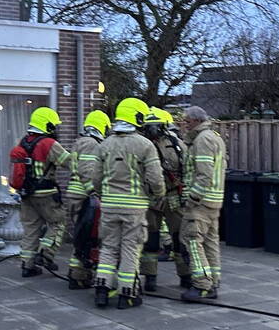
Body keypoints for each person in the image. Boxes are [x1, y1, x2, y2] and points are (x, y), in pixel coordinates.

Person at [91, 98, 165, 309]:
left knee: (108, 247)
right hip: (134, 207)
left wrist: (101, 194)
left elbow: (95, 177)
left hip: (109, 206)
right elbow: (155, 178)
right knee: (130, 249)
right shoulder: (145, 145)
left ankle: (101, 291)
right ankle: (127, 294)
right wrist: (159, 195)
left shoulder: (104, 144)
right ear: (137, 117)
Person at [14, 106, 71, 277]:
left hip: (27, 194)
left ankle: (27, 265)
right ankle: (45, 254)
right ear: (47, 126)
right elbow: (69, 163)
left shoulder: (23, 142)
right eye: (54, 125)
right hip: (46, 194)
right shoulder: (49, 143)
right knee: (58, 223)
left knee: (31, 229)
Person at [139, 107, 190, 291]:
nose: (153, 130)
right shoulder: (142, 145)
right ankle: (150, 277)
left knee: (179, 237)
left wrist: (185, 190)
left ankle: (185, 275)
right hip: (151, 197)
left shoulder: (176, 143)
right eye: (149, 126)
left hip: (173, 196)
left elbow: (188, 166)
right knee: (151, 238)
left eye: (156, 126)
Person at [179, 106, 227, 301]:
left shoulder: (202, 140)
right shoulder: (214, 136)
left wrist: (192, 199)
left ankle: (201, 285)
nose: (183, 124)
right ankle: (213, 281)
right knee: (210, 242)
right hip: (214, 200)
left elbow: (203, 173)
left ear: (196, 121)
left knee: (192, 241)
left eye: (186, 121)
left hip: (201, 203)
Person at [65, 109, 111, 289]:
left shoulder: (80, 141)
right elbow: (88, 171)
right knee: (87, 239)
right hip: (84, 197)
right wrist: (94, 193)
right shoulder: (92, 144)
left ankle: (77, 275)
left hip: (76, 194)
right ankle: (78, 276)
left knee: (81, 237)